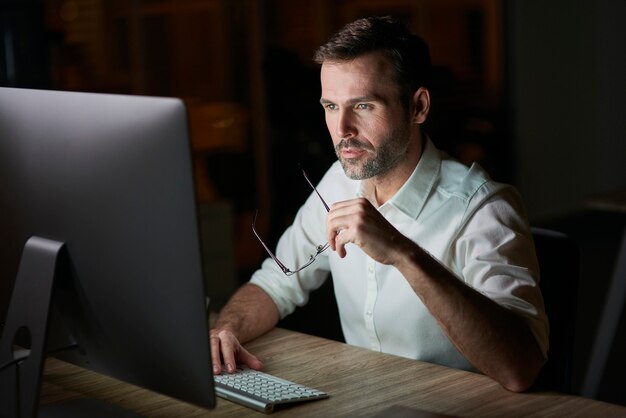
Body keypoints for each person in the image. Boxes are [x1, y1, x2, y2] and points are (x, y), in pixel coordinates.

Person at [210, 16, 548, 392]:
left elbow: (521, 368)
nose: (342, 131)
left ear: (418, 107)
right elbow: (276, 283)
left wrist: (401, 252)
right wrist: (228, 329)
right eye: (331, 107)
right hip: (364, 400)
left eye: (364, 106)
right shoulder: (339, 182)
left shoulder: (483, 207)